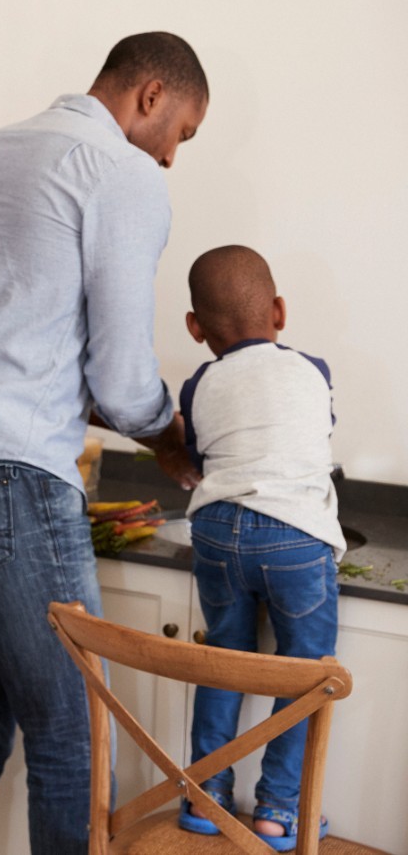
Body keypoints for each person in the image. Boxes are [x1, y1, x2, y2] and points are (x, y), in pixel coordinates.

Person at [0, 32, 210, 854]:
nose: (172, 156)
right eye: (182, 131)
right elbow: (125, 374)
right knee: (74, 732)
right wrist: (170, 440)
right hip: (8, 473)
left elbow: (15, 338)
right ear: (150, 95)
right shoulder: (123, 175)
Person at [176, 246, 339, 849]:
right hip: (296, 535)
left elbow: (199, 460)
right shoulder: (313, 369)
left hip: (216, 533)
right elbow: (312, 440)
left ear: (196, 329)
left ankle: (206, 794)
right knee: (303, 674)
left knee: (225, 658)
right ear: (279, 311)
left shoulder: (199, 383)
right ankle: (277, 812)